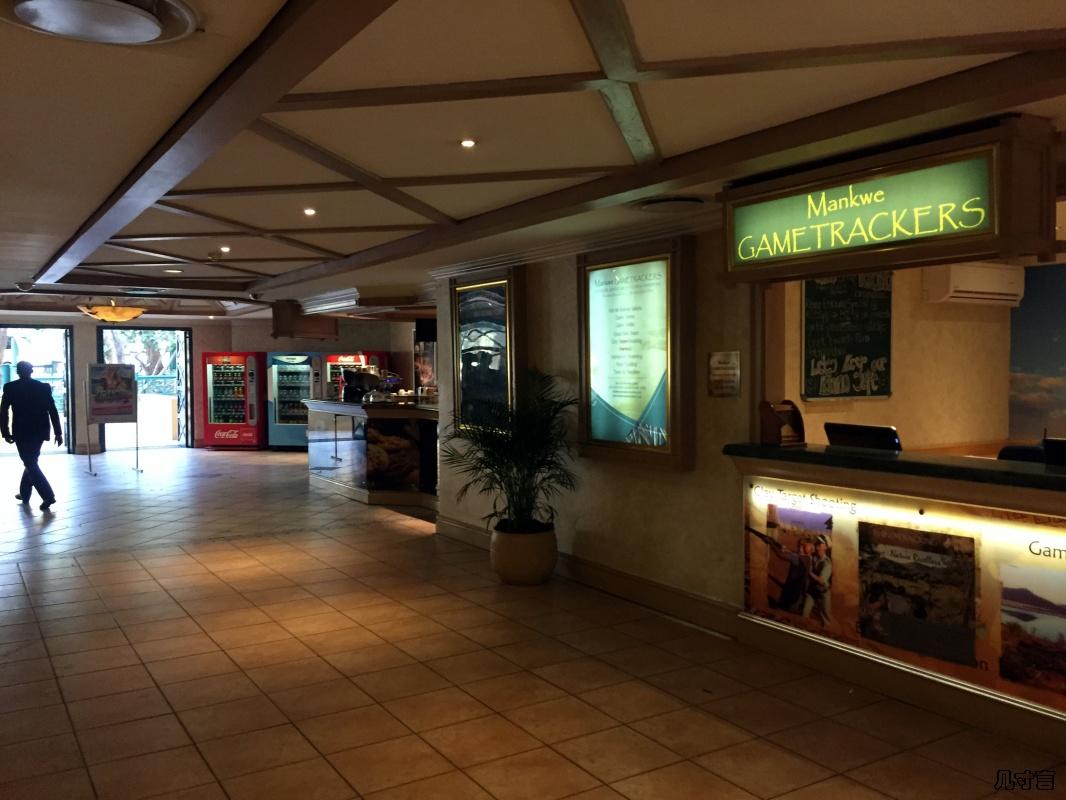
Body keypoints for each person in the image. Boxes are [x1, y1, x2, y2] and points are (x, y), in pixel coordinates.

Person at [0, 362, 63, 511]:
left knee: (30, 463)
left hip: (21, 431)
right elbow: (52, 410)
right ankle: (24, 494)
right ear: (32, 371)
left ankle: (48, 496)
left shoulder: (10, 387)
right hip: (40, 431)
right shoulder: (43, 387)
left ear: (17, 372)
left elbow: (3, 412)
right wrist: (58, 432)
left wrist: (5, 432)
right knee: (31, 461)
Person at [803, 534, 833, 626]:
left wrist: (809, 573)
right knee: (804, 613)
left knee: (826, 619)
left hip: (823, 593)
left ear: (825, 547)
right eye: (817, 543)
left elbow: (821, 580)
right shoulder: (814, 557)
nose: (817, 544)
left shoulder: (827, 563)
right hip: (812, 590)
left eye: (820, 543)